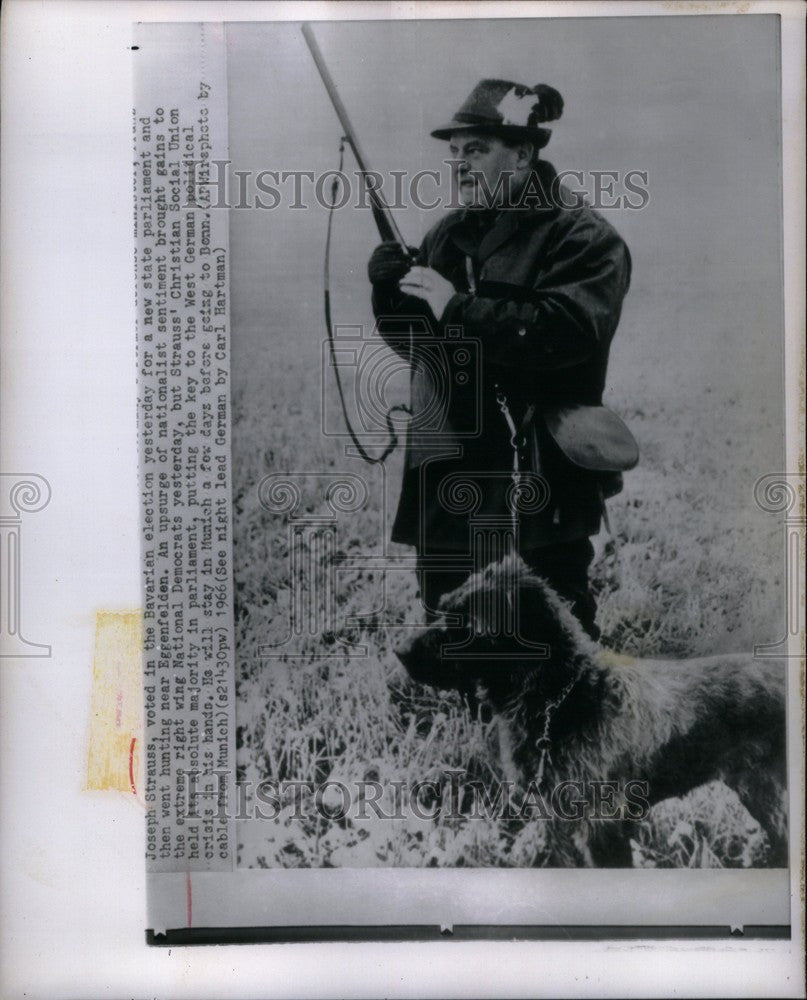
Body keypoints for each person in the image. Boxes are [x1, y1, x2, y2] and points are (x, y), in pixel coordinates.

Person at [368, 79, 633, 640]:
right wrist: (389, 295)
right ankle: (477, 721)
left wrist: (456, 305)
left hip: (537, 457)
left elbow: (567, 332)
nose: (459, 166)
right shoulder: (447, 234)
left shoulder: (581, 235)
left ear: (522, 152)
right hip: (449, 457)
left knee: (552, 626)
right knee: (450, 617)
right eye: (454, 153)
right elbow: (423, 349)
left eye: (476, 150)